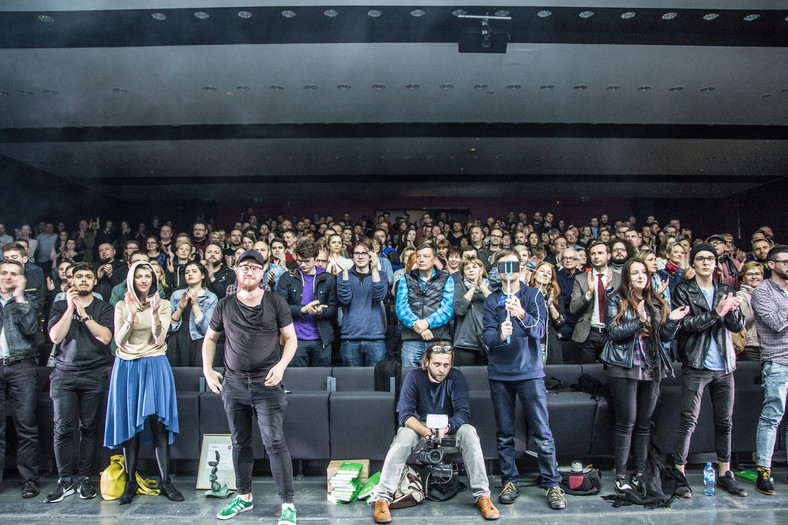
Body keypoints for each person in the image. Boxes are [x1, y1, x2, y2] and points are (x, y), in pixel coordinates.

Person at [202, 250, 298, 524]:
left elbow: (290, 340)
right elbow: (210, 339)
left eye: (255, 268)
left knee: (275, 443)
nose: (249, 271)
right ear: (236, 271)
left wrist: (280, 366)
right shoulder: (224, 305)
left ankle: (288, 503)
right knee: (240, 443)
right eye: (244, 267)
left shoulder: (276, 302)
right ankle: (244, 497)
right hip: (233, 384)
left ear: (263, 273)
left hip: (267, 384)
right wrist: (208, 369)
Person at [370, 342, 500, 523]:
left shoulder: (456, 378)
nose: (442, 370)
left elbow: (463, 414)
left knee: (469, 431)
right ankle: (382, 498)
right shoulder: (414, 377)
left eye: (446, 365)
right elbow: (406, 415)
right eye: (437, 364)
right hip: (420, 430)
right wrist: (425, 431)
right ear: (426, 363)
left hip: (447, 430)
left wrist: (447, 427)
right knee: (404, 435)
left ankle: (482, 497)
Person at [482, 249, 566, 510]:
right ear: (497, 271)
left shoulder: (534, 296)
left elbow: (540, 330)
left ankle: (552, 483)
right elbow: (486, 337)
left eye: (513, 265)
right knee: (505, 433)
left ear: (520, 269)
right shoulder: (491, 300)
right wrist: (500, 335)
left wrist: (520, 314)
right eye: (503, 266)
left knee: (542, 432)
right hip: (500, 375)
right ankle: (509, 480)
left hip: (530, 374)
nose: (509, 271)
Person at [600, 258, 688, 493]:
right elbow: (613, 332)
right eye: (635, 272)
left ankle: (640, 473)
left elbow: (665, 337)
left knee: (644, 424)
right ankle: (620, 475)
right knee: (625, 422)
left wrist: (672, 321)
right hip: (623, 366)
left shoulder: (655, 301)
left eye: (644, 273)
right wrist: (639, 320)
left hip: (651, 367)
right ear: (627, 277)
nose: (641, 276)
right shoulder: (615, 299)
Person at [671, 242, 748, 498]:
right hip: (697, 364)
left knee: (725, 422)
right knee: (687, 422)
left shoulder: (726, 289)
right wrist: (716, 312)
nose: (706, 262)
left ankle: (725, 473)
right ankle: (679, 474)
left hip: (725, 365)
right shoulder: (684, 290)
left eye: (710, 258)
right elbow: (686, 326)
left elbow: (736, 327)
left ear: (716, 264)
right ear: (693, 264)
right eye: (701, 258)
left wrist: (734, 312)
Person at [104, 261, 183, 505]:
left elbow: (160, 340)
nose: (144, 280)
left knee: (158, 424)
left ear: (154, 279)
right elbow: (118, 340)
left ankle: (165, 481)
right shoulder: (120, 304)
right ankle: (129, 484)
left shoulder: (164, 303)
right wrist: (130, 315)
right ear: (131, 279)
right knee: (130, 425)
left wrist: (155, 313)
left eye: (148, 276)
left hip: (155, 363)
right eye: (139, 276)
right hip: (127, 366)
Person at [45, 263, 114, 502]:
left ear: (95, 282)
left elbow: (105, 337)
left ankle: (85, 478)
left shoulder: (103, 307)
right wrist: (69, 308)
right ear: (71, 281)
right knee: (62, 429)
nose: (84, 280)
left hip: (93, 373)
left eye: (88, 277)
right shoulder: (58, 305)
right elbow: (55, 336)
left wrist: (83, 315)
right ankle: (65, 480)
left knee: (89, 428)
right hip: (63, 374)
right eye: (79, 277)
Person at [0, 259, 41, 498]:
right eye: (4, 273)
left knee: (26, 426)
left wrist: (19, 298)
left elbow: (31, 330)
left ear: (21, 278)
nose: (8, 277)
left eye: (13, 274)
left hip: (22, 366)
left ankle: (29, 480)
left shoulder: (29, 301)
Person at [750, 245, 788, 495]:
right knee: (772, 416)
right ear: (771, 264)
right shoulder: (762, 291)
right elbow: (776, 323)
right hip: (777, 362)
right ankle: (764, 469)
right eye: (785, 261)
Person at [275, 238, 337, 367]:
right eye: (300, 261)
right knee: (298, 381)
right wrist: (302, 309)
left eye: (307, 261)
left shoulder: (328, 279)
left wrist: (321, 312)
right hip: (295, 339)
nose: (303, 265)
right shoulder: (287, 277)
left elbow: (333, 309)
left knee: (322, 380)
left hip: (322, 339)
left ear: (315, 258)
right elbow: (279, 308)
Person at [395, 242, 454, 367]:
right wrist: (421, 329)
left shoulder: (446, 278)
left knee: (440, 380)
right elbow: (401, 308)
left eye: (426, 256)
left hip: (439, 339)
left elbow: (447, 309)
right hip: (411, 339)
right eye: (419, 256)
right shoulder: (406, 278)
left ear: (435, 260)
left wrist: (427, 323)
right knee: (410, 380)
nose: (421, 260)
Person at [337, 239, 388, 367]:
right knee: (351, 383)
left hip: (375, 338)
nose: (360, 256)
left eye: (364, 253)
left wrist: (375, 269)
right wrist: (344, 272)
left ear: (371, 255)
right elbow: (344, 299)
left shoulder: (381, 275)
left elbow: (379, 296)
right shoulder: (343, 274)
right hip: (350, 337)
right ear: (352, 256)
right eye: (357, 253)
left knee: (376, 383)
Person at [570, 241, 621, 364]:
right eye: (593, 254)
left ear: (609, 256)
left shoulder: (620, 278)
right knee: (587, 378)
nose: (596, 256)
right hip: (588, 333)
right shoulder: (581, 278)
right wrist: (588, 293)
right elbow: (573, 308)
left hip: (612, 333)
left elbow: (624, 307)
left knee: (612, 376)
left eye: (600, 253)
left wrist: (609, 290)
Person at [167, 262, 218, 367]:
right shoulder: (177, 294)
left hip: (198, 340)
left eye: (194, 271)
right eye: (187, 272)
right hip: (177, 339)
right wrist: (180, 308)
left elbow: (206, 329)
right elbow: (169, 327)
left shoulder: (211, 297)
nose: (190, 274)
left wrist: (195, 305)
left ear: (202, 275)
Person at [452, 257, 492, 366]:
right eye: (467, 268)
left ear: (482, 270)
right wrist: (473, 287)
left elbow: (496, 306)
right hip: (464, 343)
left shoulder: (491, 287)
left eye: (475, 267)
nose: (471, 270)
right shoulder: (459, 287)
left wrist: (481, 285)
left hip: (487, 341)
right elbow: (459, 310)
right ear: (463, 273)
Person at [528, 262, 566, 364]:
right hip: (528, 348)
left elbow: (561, 324)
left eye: (548, 273)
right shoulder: (525, 294)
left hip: (550, 348)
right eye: (541, 271)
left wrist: (551, 306)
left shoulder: (556, 298)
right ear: (534, 275)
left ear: (550, 280)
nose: (544, 274)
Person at [736, 261, 764, 361]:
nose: (754, 277)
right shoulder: (740, 295)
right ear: (743, 278)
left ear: (762, 276)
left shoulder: (769, 294)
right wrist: (759, 301)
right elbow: (744, 319)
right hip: (751, 346)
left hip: (770, 345)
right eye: (749, 274)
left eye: (757, 274)